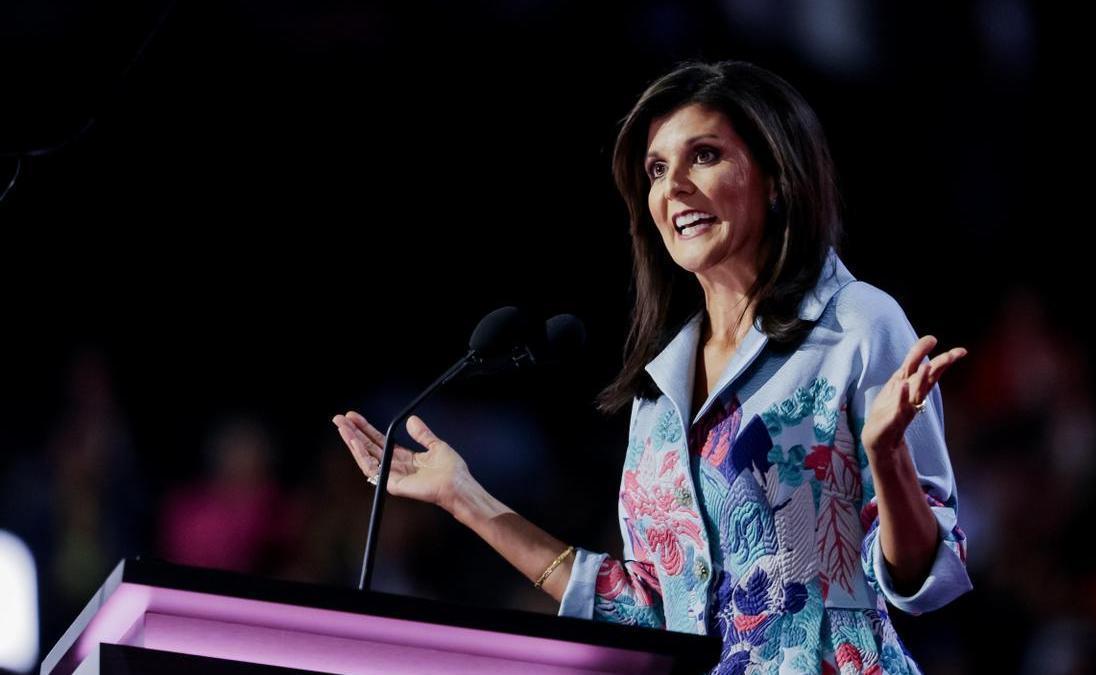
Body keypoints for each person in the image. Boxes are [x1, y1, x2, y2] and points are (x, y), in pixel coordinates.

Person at [332, 60, 971, 673]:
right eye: (658, 169)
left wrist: (887, 460)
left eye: (706, 155)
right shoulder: (660, 387)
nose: (674, 187)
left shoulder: (856, 323)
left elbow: (924, 578)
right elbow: (648, 610)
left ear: (776, 176)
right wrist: (463, 497)